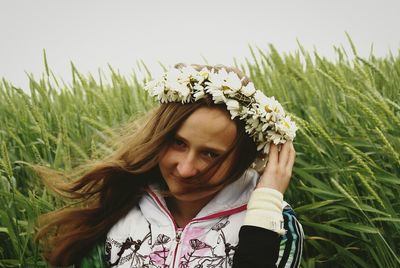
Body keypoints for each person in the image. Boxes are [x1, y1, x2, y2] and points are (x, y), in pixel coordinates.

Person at [36, 64, 303, 267]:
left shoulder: (274, 224)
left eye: (211, 155)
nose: (186, 169)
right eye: (178, 143)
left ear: (243, 160)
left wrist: (265, 205)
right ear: (158, 138)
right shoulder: (119, 207)